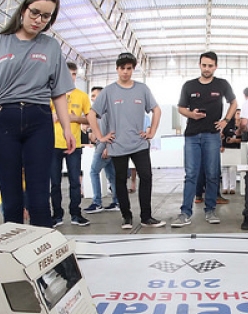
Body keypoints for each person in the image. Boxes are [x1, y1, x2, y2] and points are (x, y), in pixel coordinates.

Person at [0, 0, 76, 228]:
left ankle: (46, 260)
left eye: (46, 16)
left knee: (39, 198)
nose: (39, 20)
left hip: (39, 121)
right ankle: (13, 260)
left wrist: (67, 129)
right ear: (24, 9)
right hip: (4, 121)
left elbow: (58, 93)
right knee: (12, 199)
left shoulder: (50, 47)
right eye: (35, 12)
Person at [87, 52, 165, 229]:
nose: (125, 72)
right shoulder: (108, 91)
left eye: (129, 68)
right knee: (120, 180)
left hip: (139, 143)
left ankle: (146, 217)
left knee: (146, 176)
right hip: (117, 145)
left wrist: (152, 131)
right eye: (122, 68)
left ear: (133, 69)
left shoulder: (142, 89)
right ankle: (126, 216)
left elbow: (157, 110)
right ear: (117, 69)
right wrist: (100, 137)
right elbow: (92, 114)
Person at [172, 51, 237, 227]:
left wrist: (225, 121)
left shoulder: (222, 84)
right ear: (199, 65)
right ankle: (185, 213)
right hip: (192, 135)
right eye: (204, 65)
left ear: (215, 66)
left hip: (212, 135)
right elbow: (180, 108)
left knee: (212, 174)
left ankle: (210, 210)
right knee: (191, 174)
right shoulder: (189, 85)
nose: (207, 68)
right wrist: (191, 114)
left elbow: (234, 103)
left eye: (210, 65)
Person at [50, 61, 91, 227]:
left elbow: (89, 118)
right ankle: (57, 215)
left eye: (74, 74)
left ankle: (76, 214)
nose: (71, 77)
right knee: (55, 182)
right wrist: (54, 116)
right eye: (68, 73)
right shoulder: (51, 95)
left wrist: (75, 118)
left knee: (75, 181)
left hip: (74, 144)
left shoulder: (82, 96)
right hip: (53, 144)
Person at [84, 86, 119, 214]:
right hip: (103, 145)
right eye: (92, 96)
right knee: (111, 175)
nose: (92, 98)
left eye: (94, 95)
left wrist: (107, 147)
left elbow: (113, 131)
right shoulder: (99, 113)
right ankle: (117, 201)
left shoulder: (107, 111)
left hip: (104, 146)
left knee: (93, 172)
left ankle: (97, 202)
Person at [221, 108, 242, 194]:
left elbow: (244, 139)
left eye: (240, 113)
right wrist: (221, 145)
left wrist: (234, 141)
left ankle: (232, 188)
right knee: (224, 168)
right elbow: (222, 135)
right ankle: (225, 187)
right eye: (237, 113)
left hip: (235, 149)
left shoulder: (243, 125)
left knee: (233, 169)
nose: (238, 115)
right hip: (226, 148)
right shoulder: (228, 124)